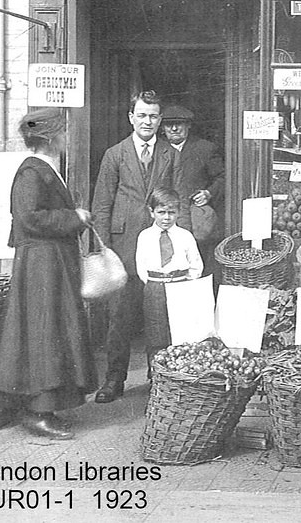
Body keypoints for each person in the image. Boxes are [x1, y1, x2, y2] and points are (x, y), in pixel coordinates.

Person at [0, 108, 98, 440]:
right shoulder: (32, 172)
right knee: (45, 332)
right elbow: (31, 218)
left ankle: (46, 407)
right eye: (64, 132)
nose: (67, 137)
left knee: (51, 330)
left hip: (49, 263)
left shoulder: (45, 169)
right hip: (41, 266)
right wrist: (75, 217)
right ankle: (38, 412)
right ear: (51, 137)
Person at [91, 90, 184, 403]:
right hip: (123, 247)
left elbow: (175, 199)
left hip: (160, 246)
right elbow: (102, 205)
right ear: (131, 117)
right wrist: (103, 250)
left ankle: (157, 380)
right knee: (120, 318)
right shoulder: (114, 155)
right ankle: (113, 381)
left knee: (159, 316)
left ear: (160, 120)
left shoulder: (170, 155)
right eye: (142, 115)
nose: (148, 121)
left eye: (153, 116)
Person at [136, 187, 203, 371]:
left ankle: (179, 374)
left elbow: (196, 265)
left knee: (181, 332)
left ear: (178, 213)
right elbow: (141, 267)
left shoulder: (185, 236)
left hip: (180, 286)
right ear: (151, 212)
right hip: (155, 287)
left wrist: (184, 282)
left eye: (171, 213)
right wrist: (156, 282)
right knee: (155, 332)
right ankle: (156, 375)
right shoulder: (145, 237)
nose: (166, 218)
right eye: (161, 212)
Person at [159, 105, 224, 277]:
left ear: (188, 125)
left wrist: (208, 193)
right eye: (168, 124)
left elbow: (223, 178)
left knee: (196, 268)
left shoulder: (205, 149)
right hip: (164, 219)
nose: (174, 128)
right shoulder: (156, 150)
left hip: (195, 222)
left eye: (179, 124)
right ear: (162, 128)